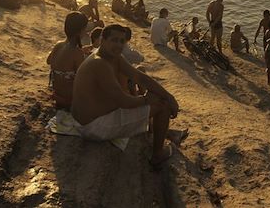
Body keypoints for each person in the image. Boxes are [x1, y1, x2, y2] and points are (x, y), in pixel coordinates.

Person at [71, 24, 183, 167]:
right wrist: (147, 99)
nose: (118, 44)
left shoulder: (113, 57)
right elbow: (124, 101)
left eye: (122, 41)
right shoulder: (100, 63)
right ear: (103, 40)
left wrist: (169, 96)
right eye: (114, 40)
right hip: (92, 126)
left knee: (161, 97)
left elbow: (140, 77)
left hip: (92, 118)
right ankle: (157, 154)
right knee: (162, 106)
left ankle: (160, 130)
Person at [47, 12, 89, 109]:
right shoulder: (76, 52)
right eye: (85, 29)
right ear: (80, 31)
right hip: (68, 99)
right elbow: (83, 77)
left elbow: (49, 61)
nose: (86, 32)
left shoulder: (58, 45)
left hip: (57, 93)